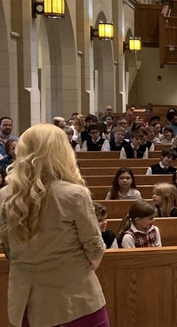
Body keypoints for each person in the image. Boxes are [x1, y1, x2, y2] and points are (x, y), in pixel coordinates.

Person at [0, 124, 110, 327]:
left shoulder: (6, 195)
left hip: (27, 300)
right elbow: (95, 249)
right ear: (62, 152)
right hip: (75, 300)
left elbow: (8, 248)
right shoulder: (74, 194)